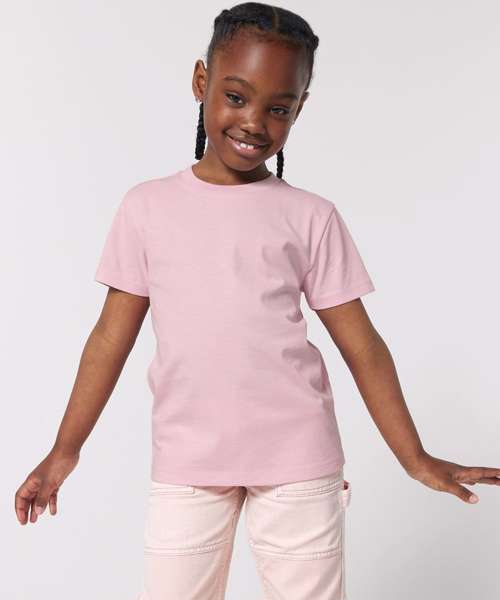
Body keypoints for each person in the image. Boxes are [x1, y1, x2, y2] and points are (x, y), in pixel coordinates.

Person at [14, 3, 500, 600]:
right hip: (188, 461)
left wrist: (413, 457)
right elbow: (110, 339)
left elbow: (363, 347)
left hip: (298, 460)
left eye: (279, 108)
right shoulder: (146, 208)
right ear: (202, 82)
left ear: (300, 109)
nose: (254, 122)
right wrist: (64, 451)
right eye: (236, 97)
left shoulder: (310, 216)